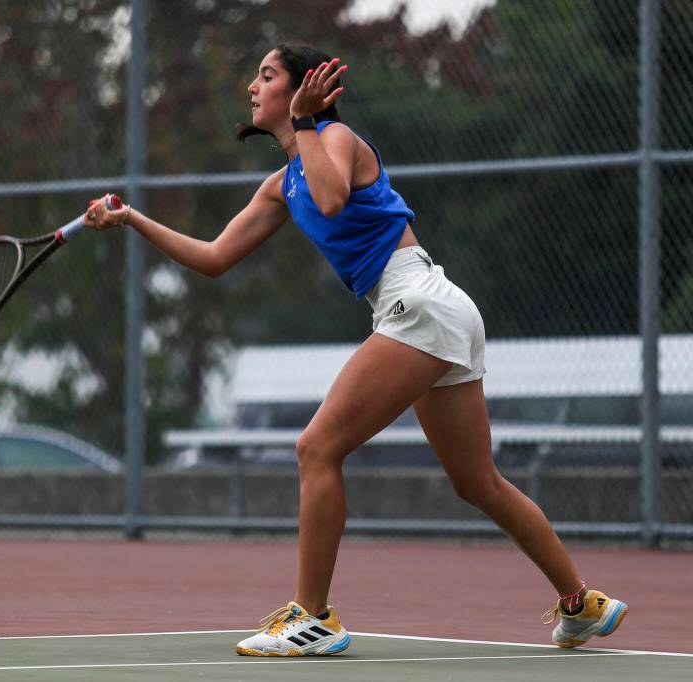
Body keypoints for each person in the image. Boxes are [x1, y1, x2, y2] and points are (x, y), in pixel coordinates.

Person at [84, 43, 627, 656]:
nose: (252, 88)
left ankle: (312, 619)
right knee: (479, 483)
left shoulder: (336, 139)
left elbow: (333, 197)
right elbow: (214, 259)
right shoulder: (280, 184)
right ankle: (581, 604)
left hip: (417, 300)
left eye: (266, 76)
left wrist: (312, 124)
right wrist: (131, 219)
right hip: (438, 309)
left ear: (303, 88)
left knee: (316, 446)